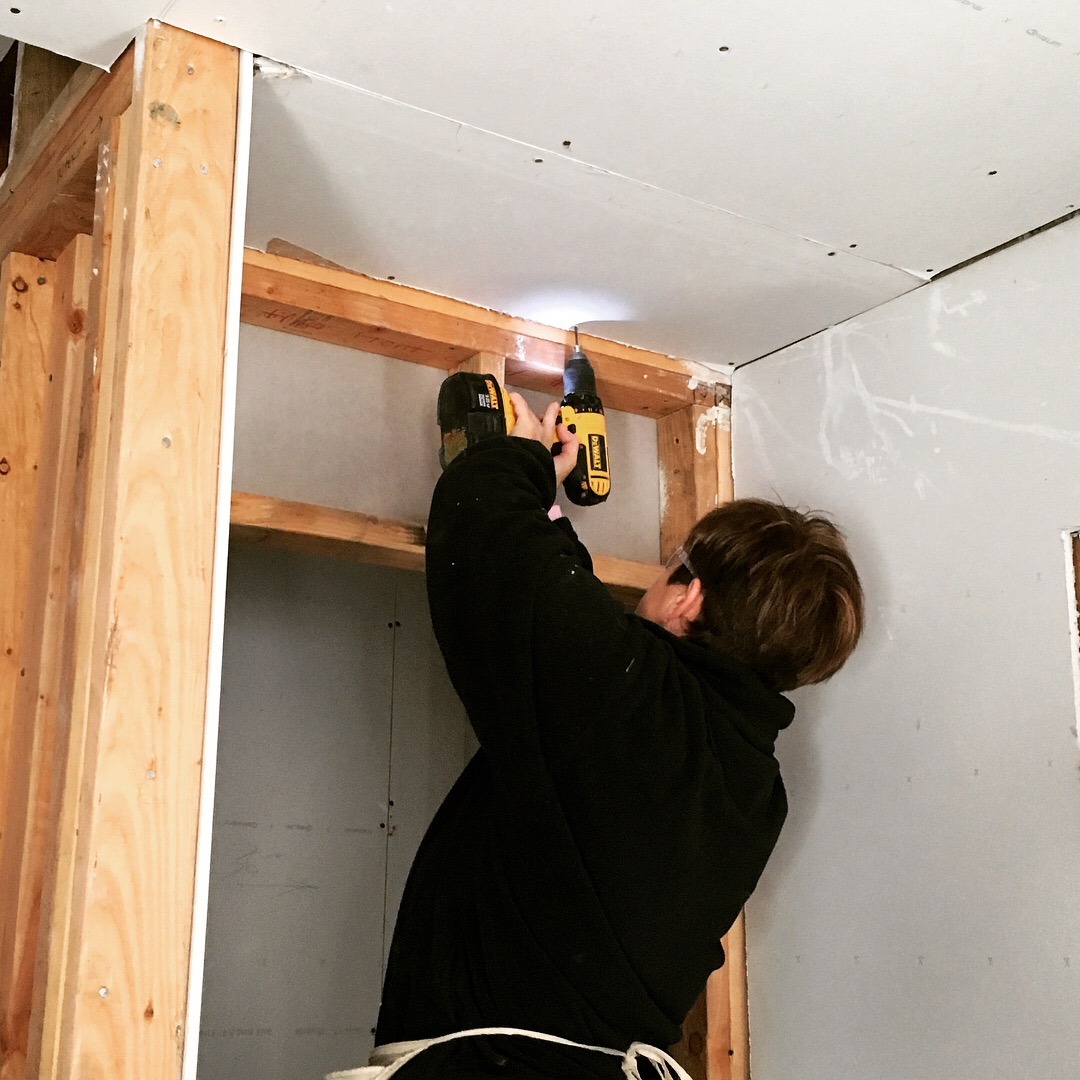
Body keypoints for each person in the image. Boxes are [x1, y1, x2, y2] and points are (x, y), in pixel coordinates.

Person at [352, 393, 863, 1080]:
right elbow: (581, 644)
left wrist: (516, 459)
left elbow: (491, 544)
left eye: (676, 563)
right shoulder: (753, 784)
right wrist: (552, 513)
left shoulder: (632, 703)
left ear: (692, 599)